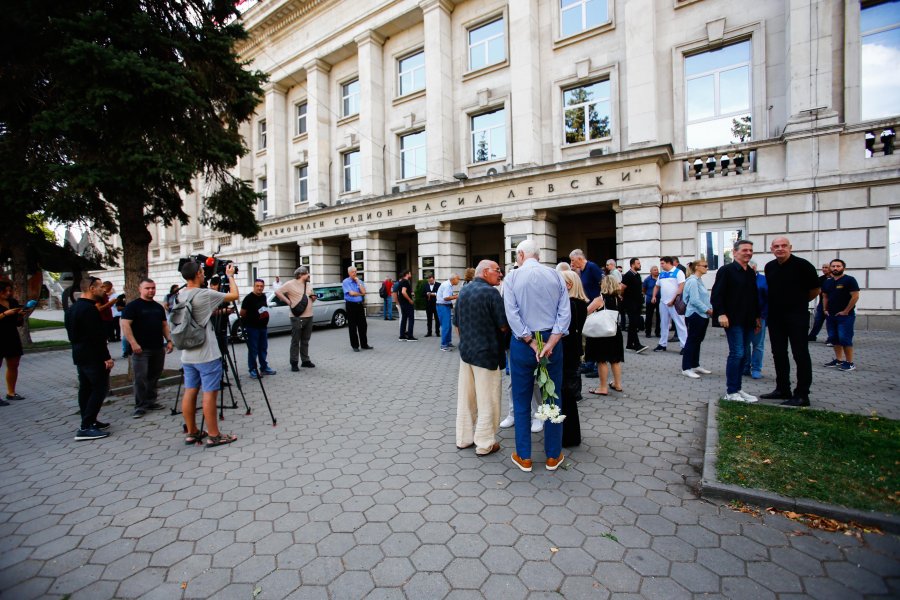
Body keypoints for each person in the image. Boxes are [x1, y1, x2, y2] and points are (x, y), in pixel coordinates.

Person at [504, 240, 570, 472]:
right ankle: (553, 456)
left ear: (521, 254)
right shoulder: (556, 275)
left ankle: (524, 456)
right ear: (538, 255)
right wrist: (551, 341)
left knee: (522, 399)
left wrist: (530, 341)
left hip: (523, 344)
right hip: (552, 342)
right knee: (552, 397)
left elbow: (511, 314)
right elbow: (564, 312)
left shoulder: (512, 277)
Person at [177, 260, 240, 447]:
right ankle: (214, 434)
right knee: (209, 394)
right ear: (197, 274)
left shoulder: (180, 295)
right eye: (202, 271)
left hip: (188, 354)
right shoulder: (204, 294)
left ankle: (192, 432)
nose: (204, 273)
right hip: (206, 353)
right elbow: (234, 295)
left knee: (190, 391)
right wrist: (229, 276)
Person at [454, 260, 508, 456]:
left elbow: (457, 324)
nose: (500, 274)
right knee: (488, 400)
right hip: (487, 355)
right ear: (486, 272)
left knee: (466, 399)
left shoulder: (464, 291)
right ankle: (485, 443)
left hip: (466, 353)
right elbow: (503, 325)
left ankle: (463, 438)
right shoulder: (491, 293)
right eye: (497, 270)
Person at [762, 237, 820, 407]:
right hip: (775, 317)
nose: (780, 249)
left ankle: (802, 394)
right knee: (778, 353)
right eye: (776, 246)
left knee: (800, 353)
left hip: (797, 316)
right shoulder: (770, 267)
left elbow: (815, 290)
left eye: (784, 246)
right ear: (772, 249)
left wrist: (798, 302)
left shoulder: (803, 265)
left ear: (790, 247)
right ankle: (782, 389)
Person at [711, 240, 760, 403]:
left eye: (750, 250)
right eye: (744, 250)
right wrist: (721, 314)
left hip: (748, 319)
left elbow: (754, 297)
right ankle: (731, 391)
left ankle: (738, 388)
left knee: (744, 354)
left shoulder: (750, 272)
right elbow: (717, 295)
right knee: (737, 353)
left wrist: (757, 318)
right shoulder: (726, 270)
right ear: (735, 252)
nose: (748, 253)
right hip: (733, 320)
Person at [65, 277, 114, 440]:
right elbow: (96, 336)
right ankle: (85, 427)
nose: (104, 290)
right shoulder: (89, 310)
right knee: (100, 388)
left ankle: (90, 421)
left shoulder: (73, 308)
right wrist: (106, 357)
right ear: (92, 289)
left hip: (80, 354)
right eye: (100, 287)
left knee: (85, 388)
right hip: (92, 355)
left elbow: (71, 333)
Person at [121, 278, 174, 418]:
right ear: (140, 289)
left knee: (154, 376)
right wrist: (133, 343)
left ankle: (151, 401)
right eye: (147, 288)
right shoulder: (133, 306)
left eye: (153, 288)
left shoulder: (158, 307)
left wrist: (169, 340)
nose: (151, 291)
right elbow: (125, 325)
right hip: (141, 349)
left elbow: (164, 325)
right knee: (140, 377)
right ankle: (140, 405)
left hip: (157, 347)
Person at [584, 275, 625, 396]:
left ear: (604, 285)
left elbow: (586, 311)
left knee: (601, 360)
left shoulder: (600, 299)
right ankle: (617, 384)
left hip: (601, 333)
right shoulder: (618, 298)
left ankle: (603, 387)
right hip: (614, 331)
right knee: (615, 360)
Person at [560, 270, 586, 448]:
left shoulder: (570, 304)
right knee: (569, 394)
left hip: (567, 353)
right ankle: (572, 435)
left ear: (568, 285)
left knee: (566, 394)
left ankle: (568, 436)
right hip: (574, 352)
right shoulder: (581, 303)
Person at [569, 249, 603, 377]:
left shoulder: (592, 267)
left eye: (572, 260)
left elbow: (603, 283)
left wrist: (600, 300)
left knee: (593, 336)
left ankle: (595, 366)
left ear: (579, 258)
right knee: (588, 336)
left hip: (595, 307)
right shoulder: (582, 270)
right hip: (587, 306)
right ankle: (589, 362)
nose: (572, 263)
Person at [275, 266, 316, 371]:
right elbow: (278, 292)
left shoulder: (309, 284)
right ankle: (294, 362)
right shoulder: (290, 284)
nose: (309, 275)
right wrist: (289, 302)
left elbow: (310, 297)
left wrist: (313, 298)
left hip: (309, 316)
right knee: (295, 340)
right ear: (301, 275)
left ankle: (305, 360)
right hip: (297, 317)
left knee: (305, 340)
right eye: (307, 273)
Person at [822, 259, 860, 372]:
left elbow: (855, 296)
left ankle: (849, 362)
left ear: (843, 267)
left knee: (845, 338)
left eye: (838, 266)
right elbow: (825, 296)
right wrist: (825, 309)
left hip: (845, 316)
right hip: (831, 315)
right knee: (834, 338)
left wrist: (846, 311)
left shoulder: (849, 280)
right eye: (833, 266)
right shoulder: (828, 282)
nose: (835, 268)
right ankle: (839, 360)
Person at [0, 281, 34, 404]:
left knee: (14, 364)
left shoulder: (12, 302)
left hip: (11, 336)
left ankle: (11, 392)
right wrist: (4, 314)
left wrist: (20, 315)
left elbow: (18, 323)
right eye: (5, 291)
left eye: (10, 291)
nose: (8, 293)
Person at [681, 261, 713, 378]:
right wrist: (708, 310)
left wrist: (709, 309)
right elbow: (694, 300)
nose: (706, 268)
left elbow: (703, 298)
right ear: (697, 267)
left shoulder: (698, 280)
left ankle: (695, 364)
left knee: (698, 340)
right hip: (695, 315)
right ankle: (686, 367)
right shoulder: (693, 281)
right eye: (704, 266)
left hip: (702, 314)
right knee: (692, 340)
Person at [240, 279, 276, 379]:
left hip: (263, 328)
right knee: (253, 350)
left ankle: (264, 368)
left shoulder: (263, 296)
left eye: (261, 286)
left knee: (263, 349)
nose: (259, 288)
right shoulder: (248, 298)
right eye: (257, 286)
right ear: (254, 286)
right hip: (252, 328)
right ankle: (253, 369)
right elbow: (242, 313)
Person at [652, 257, 687, 352]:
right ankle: (662, 344)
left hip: (675, 303)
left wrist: (673, 300)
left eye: (662, 263)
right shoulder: (662, 274)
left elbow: (681, 287)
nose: (661, 265)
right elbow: (657, 286)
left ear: (668, 263)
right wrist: (654, 296)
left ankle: (685, 346)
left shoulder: (678, 272)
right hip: (663, 303)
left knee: (680, 324)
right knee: (663, 324)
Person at [742, 261, 768, 380]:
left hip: (760, 316)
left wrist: (762, 316)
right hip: (743, 317)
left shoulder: (763, 280)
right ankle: (745, 367)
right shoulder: (742, 278)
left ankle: (756, 368)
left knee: (758, 344)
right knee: (744, 344)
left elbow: (767, 299)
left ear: (753, 267)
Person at [342, 266, 372, 352]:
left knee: (363, 325)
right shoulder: (346, 282)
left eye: (355, 271)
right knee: (352, 326)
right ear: (349, 273)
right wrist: (360, 294)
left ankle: (364, 344)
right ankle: (355, 345)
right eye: (353, 272)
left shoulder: (359, 281)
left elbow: (364, 292)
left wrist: (358, 282)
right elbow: (351, 293)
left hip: (359, 305)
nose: (355, 273)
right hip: (351, 305)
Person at [621, 258, 647, 353]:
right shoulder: (628, 275)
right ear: (632, 265)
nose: (640, 265)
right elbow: (622, 288)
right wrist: (622, 297)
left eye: (640, 263)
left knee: (633, 324)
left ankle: (629, 345)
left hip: (637, 303)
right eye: (638, 263)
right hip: (630, 303)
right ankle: (637, 345)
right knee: (633, 323)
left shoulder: (637, 275)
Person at [807, 263, 832, 342]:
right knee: (818, 320)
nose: (824, 269)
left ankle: (831, 338)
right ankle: (812, 335)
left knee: (830, 321)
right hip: (821, 303)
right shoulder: (821, 279)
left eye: (826, 267)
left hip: (832, 303)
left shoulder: (834, 279)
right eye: (823, 267)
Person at [436, 274, 460, 351]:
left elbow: (448, 296)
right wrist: (456, 296)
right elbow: (446, 298)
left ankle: (448, 342)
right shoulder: (447, 285)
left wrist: (454, 295)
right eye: (458, 279)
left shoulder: (449, 285)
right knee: (446, 326)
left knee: (448, 326)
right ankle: (443, 345)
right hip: (442, 306)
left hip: (445, 306)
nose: (459, 281)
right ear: (453, 279)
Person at [396, 270, 417, 341]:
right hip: (407, 303)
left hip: (402, 303)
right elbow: (403, 292)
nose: (411, 274)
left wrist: (411, 294)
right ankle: (410, 336)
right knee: (411, 318)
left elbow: (403, 292)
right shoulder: (405, 281)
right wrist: (410, 300)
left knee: (404, 319)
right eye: (410, 273)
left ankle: (402, 336)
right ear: (407, 274)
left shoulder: (401, 282)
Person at [643, 266, 661, 339]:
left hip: (660, 299)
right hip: (650, 300)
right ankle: (648, 332)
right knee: (649, 316)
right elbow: (644, 289)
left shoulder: (661, 278)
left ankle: (657, 332)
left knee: (659, 317)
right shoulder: (647, 279)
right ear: (651, 271)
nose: (656, 271)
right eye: (655, 270)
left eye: (657, 270)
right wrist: (648, 294)